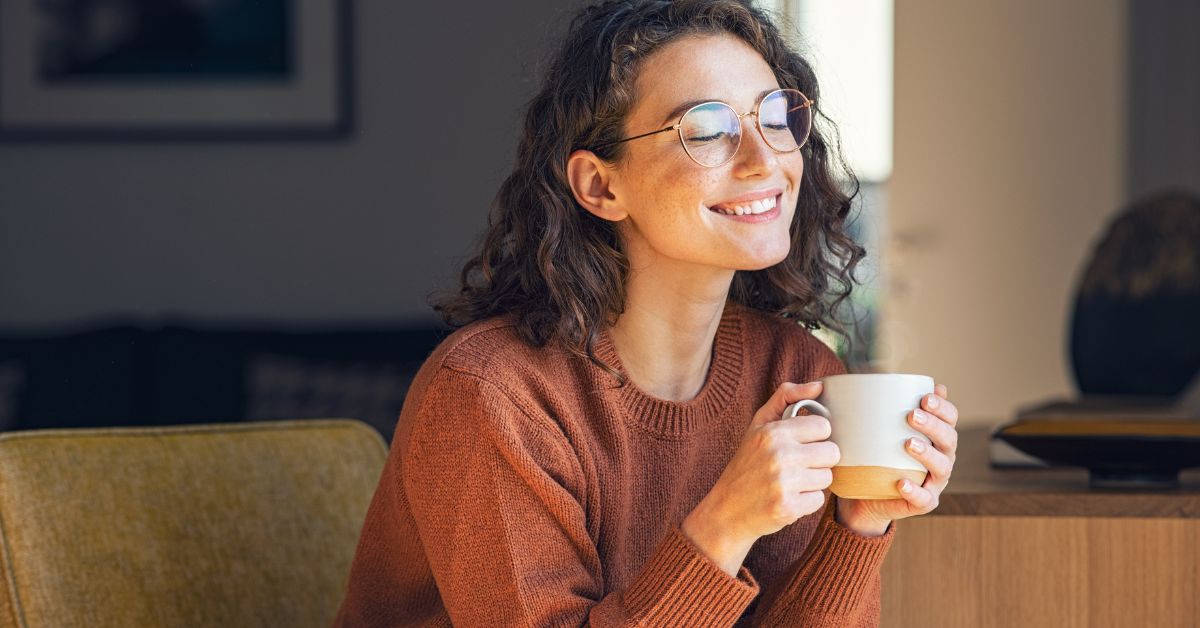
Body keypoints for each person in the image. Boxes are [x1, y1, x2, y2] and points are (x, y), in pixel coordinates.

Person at [335, 1, 959, 625]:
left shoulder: (795, 370)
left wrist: (858, 525)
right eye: (708, 130)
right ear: (601, 187)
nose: (764, 160)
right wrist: (724, 524)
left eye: (775, 116)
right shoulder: (492, 395)